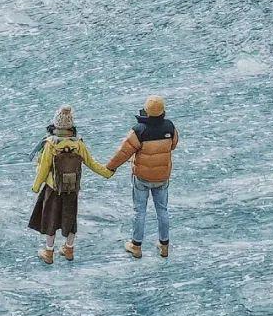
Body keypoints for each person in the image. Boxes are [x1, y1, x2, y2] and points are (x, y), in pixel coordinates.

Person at [28, 105, 113, 263]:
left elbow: (44, 169)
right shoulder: (78, 144)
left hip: (53, 189)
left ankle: (49, 252)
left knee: (50, 219)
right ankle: (69, 249)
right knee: (70, 218)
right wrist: (107, 172)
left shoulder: (50, 144)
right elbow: (91, 162)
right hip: (72, 188)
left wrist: (36, 186)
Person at [107, 95, 179, 259]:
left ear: (146, 111)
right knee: (162, 210)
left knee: (140, 211)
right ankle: (164, 245)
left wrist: (110, 168)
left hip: (142, 178)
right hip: (162, 177)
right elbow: (174, 144)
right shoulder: (170, 127)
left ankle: (136, 246)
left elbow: (124, 152)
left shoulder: (139, 130)